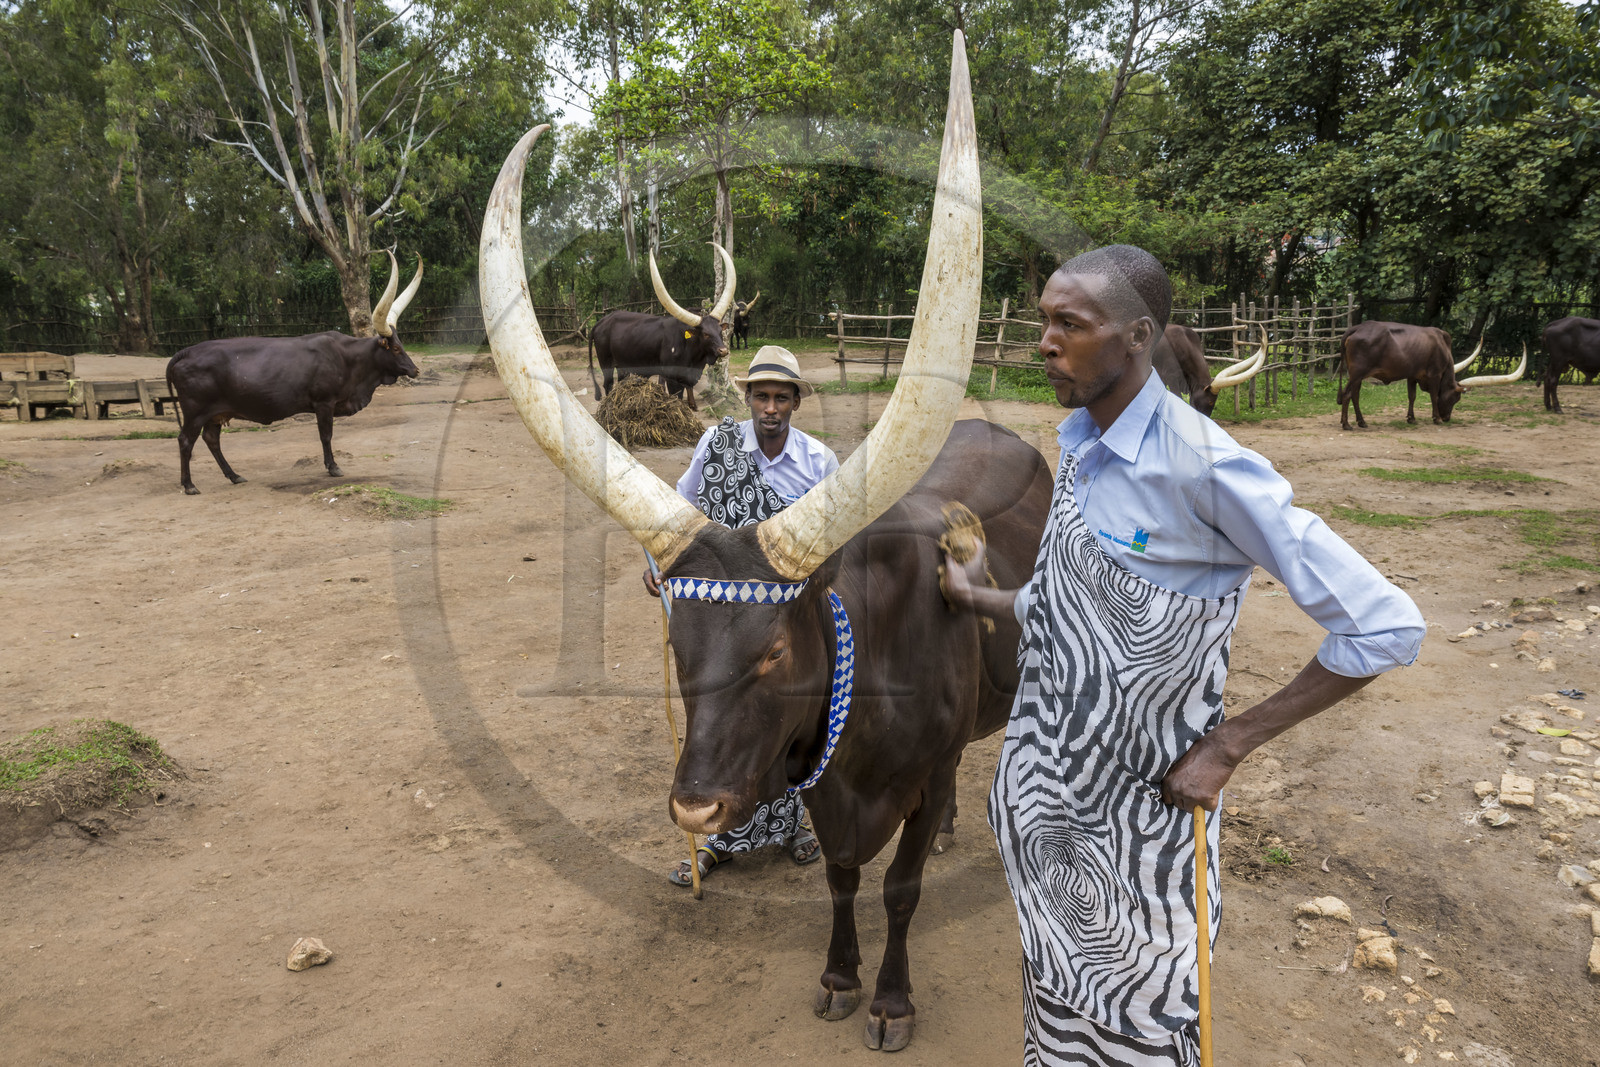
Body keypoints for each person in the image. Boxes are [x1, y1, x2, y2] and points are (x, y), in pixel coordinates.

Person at [943, 245, 1425, 1066]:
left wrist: (1231, 741)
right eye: (1043, 322)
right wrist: (974, 592)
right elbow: (1068, 603)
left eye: (1071, 324)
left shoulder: (1206, 467)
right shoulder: (1082, 449)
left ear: (1137, 337)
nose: (1046, 343)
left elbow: (1385, 624)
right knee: (1057, 1032)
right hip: (1051, 835)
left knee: (1145, 1030)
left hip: (1140, 850)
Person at [643, 345, 840, 887]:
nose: (769, 408)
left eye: (781, 397)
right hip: (720, 616)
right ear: (747, 398)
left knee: (786, 719)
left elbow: (837, 544)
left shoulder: (820, 463)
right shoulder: (717, 443)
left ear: (796, 402)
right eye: (761, 396)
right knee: (719, 715)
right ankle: (720, 843)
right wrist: (658, 563)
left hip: (785, 618)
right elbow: (681, 512)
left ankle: (795, 824)